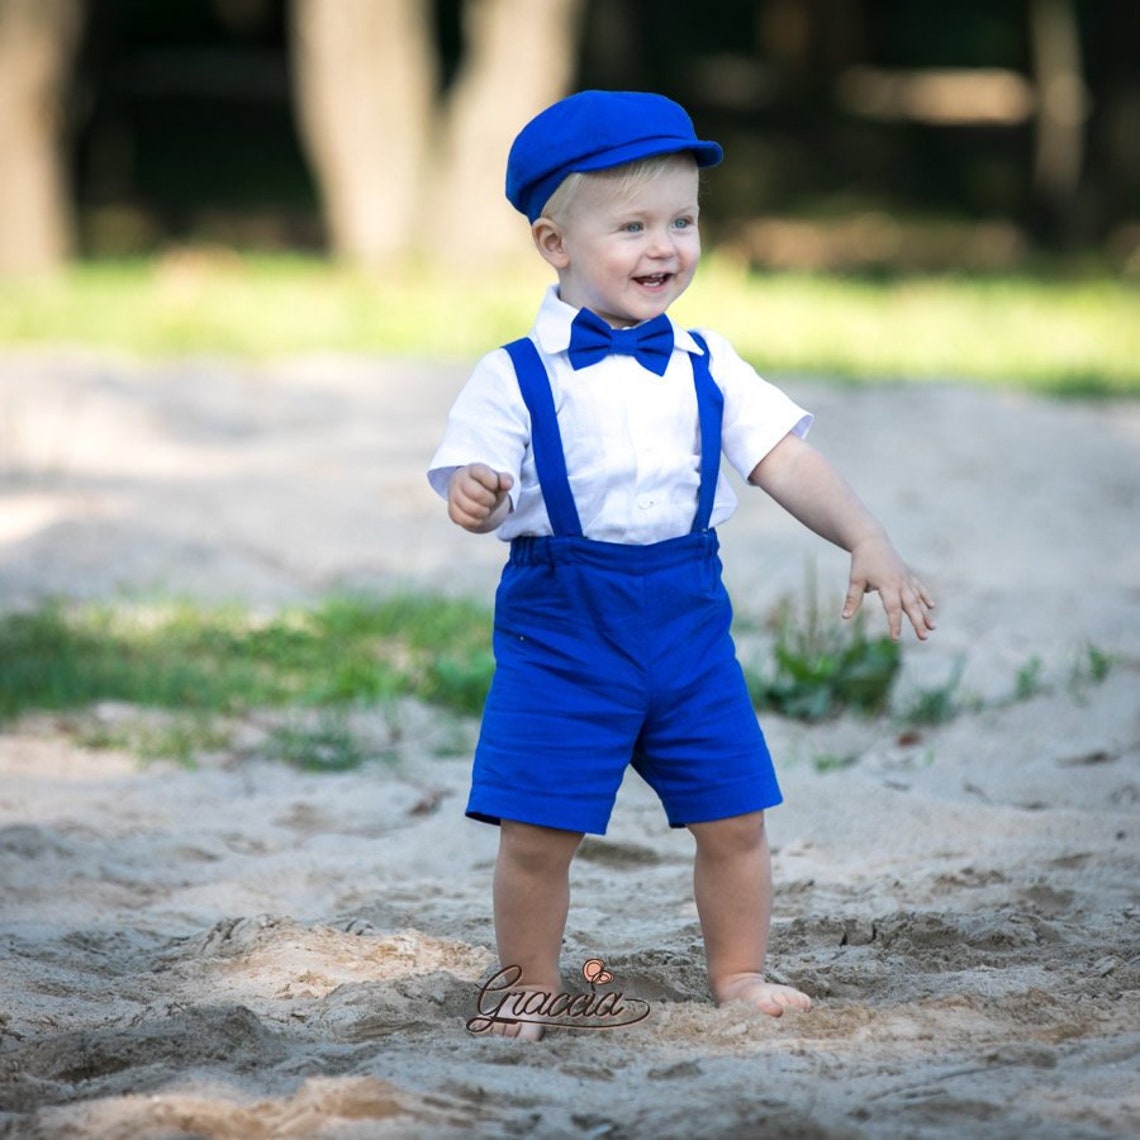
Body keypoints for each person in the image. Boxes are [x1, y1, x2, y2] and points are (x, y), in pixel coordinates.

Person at [428, 90, 935, 1039]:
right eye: (632, 226)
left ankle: (739, 972)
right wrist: (474, 490)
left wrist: (865, 536)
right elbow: (472, 463)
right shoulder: (515, 373)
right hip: (561, 630)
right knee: (539, 835)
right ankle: (528, 983)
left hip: (689, 626)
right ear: (555, 245)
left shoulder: (709, 359)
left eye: (683, 221)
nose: (665, 246)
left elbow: (783, 457)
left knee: (734, 818)